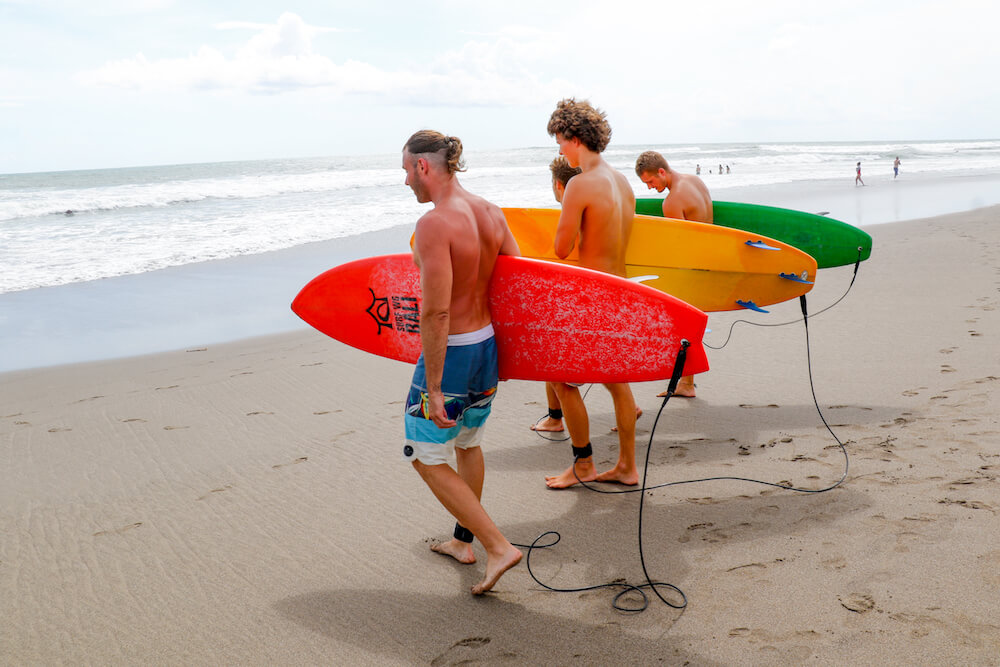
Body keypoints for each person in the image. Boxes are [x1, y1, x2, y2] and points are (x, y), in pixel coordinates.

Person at [402, 129, 523, 595]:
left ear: (423, 167)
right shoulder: (491, 212)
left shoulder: (436, 223)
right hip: (486, 347)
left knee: (423, 453)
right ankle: (462, 541)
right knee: (467, 445)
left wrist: (433, 388)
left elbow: (436, 312)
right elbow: (517, 281)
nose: (406, 182)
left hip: (451, 355)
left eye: (406, 171)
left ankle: (497, 546)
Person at [543, 98, 640, 489]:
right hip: (621, 293)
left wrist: (568, 211)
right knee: (617, 383)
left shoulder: (580, 184)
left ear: (576, 137)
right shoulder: (623, 182)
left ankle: (583, 465)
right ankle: (627, 467)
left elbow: (561, 249)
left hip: (591, 297)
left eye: (560, 142)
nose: (560, 150)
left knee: (561, 379)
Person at [634, 150, 713, 398]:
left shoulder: (671, 203)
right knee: (689, 326)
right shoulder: (695, 181)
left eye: (650, 182)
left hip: (690, 267)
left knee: (683, 327)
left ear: (661, 172)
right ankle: (686, 384)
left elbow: (677, 246)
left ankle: (687, 385)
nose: (649, 188)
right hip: (709, 260)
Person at [530, 156, 581, 435]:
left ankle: (556, 419)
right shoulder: (596, 209)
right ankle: (627, 404)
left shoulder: (567, 216)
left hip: (572, 298)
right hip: (598, 293)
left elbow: (560, 254)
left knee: (552, 362)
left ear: (559, 185)